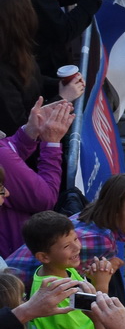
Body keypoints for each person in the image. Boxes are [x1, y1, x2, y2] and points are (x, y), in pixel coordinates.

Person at [0, 105, 70, 261]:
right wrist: (51, 144)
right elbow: (44, 199)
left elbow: (7, 152)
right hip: (13, 265)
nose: (7, 192)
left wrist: (29, 131)